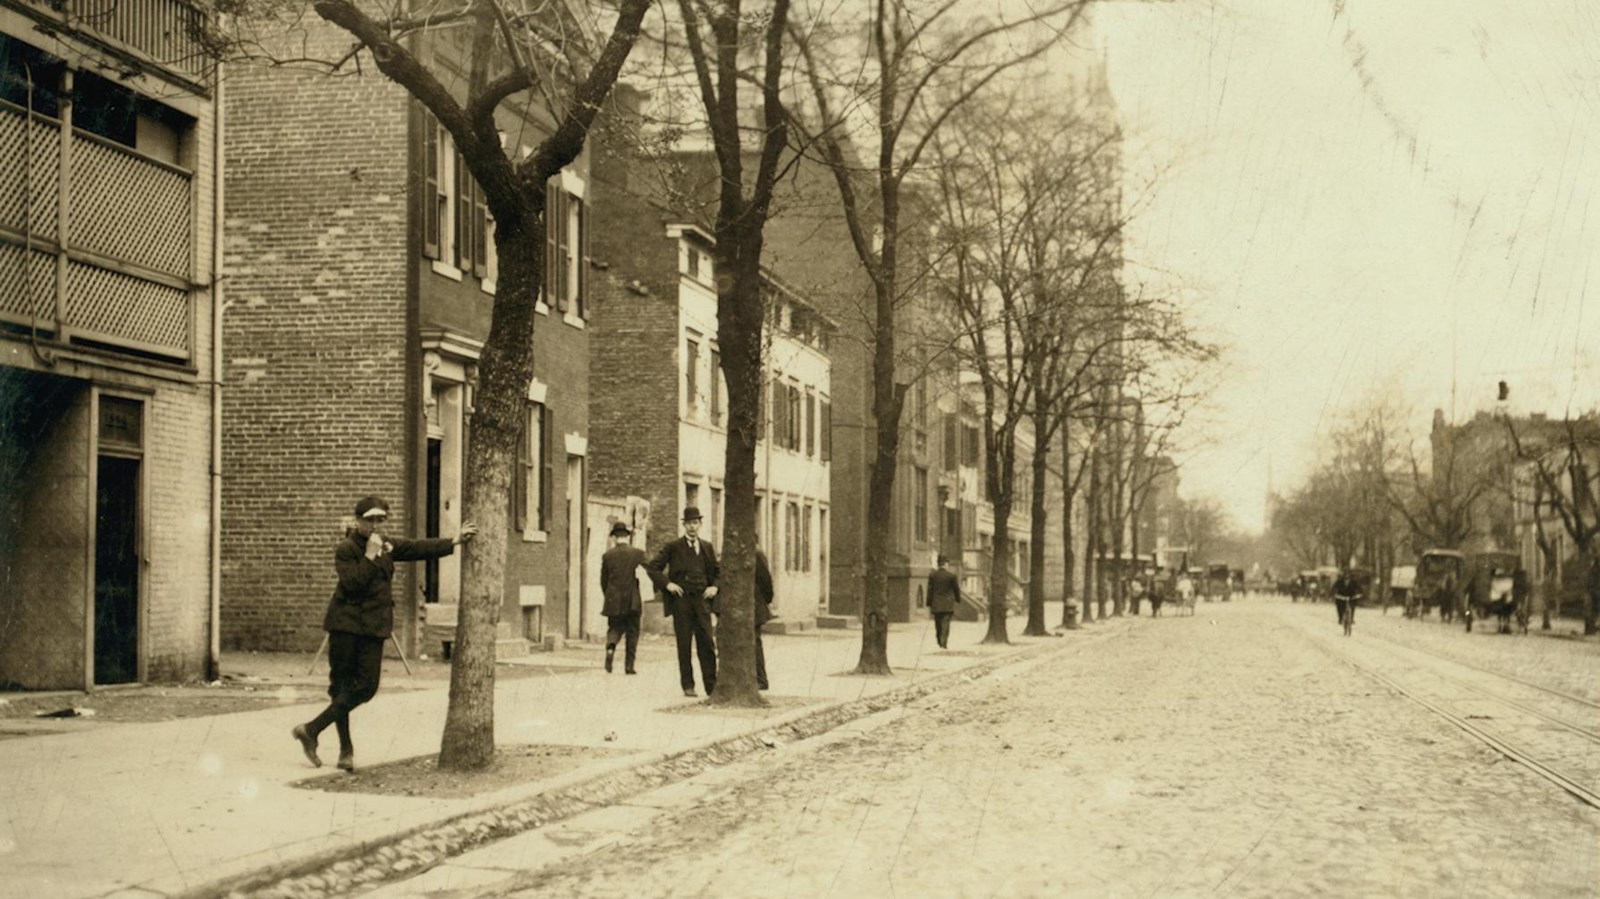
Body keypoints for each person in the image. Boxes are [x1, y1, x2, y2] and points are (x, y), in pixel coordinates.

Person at [292, 496, 475, 771]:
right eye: (369, 520)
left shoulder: (387, 546)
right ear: (358, 521)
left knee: (366, 686)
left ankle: (312, 729)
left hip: (373, 629)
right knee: (341, 688)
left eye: (380, 520)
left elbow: (416, 548)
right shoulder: (346, 549)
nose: (375, 525)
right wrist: (369, 555)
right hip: (345, 626)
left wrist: (454, 541)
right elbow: (353, 584)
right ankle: (345, 751)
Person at [647, 506, 719, 697]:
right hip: (682, 602)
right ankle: (688, 685)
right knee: (684, 644)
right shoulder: (673, 547)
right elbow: (653, 568)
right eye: (688, 523)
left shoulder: (707, 547)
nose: (692, 527)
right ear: (684, 525)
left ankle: (711, 686)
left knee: (707, 642)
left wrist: (714, 587)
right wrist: (668, 584)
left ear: (700, 524)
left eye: (695, 523)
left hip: (702, 601)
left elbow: (718, 572)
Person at [599, 521, 647, 674]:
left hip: (614, 600)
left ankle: (611, 647)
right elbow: (648, 575)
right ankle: (629, 666)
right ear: (628, 536)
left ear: (614, 537)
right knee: (632, 632)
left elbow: (603, 581)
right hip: (632, 600)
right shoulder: (638, 554)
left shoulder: (607, 556)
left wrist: (609, 596)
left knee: (614, 628)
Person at [927, 554, 961, 649]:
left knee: (937, 623)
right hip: (947, 604)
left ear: (938, 564)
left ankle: (939, 639)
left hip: (936, 604)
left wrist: (929, 602)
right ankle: (943, 642)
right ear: (945, 564)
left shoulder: (933, 575)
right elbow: (956, 589)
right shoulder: (951, 576)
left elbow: (930, 590)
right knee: (945, 623)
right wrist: (958, 599)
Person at [754, 547, 775, 691]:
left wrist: (766, 600)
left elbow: (765, 579)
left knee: (754, 642)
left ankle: (761, 679)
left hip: (754, 603)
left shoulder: (756, 553)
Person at [1332, 567, 1361, 635]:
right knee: (1339, 607)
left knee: (1353, 607)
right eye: (1346, 575)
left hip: (1351, 597)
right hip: (1341, 597)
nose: (1347, 577)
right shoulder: (1339, 581)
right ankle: (1340, 618)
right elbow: (1334, 587)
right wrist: (1334, 594)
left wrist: (1360, 594)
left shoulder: (1353, 582)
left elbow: (1359, 588)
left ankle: (1351, 618)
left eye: (1348, 575)